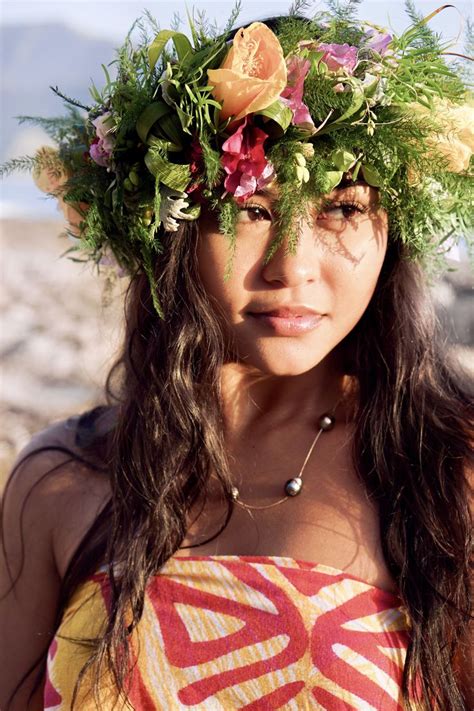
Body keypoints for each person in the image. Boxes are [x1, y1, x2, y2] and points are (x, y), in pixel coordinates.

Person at [0, 3, 472, 710]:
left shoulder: (446, 480)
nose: (294, 267)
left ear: (390, 231)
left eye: (341, 207)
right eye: (251, 209)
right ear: (171, 231)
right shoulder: (62, 484)